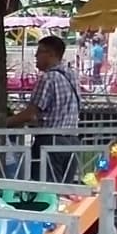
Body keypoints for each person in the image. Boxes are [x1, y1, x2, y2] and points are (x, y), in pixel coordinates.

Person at [23, 34, 82, 177]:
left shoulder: (48, 78)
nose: (36, 56)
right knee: (65, 187)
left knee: (46, 186)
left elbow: (30, 114)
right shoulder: (72, 75)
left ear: (50, 54)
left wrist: (5, 122)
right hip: (72, 140)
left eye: (39, 52)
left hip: (50, 141)